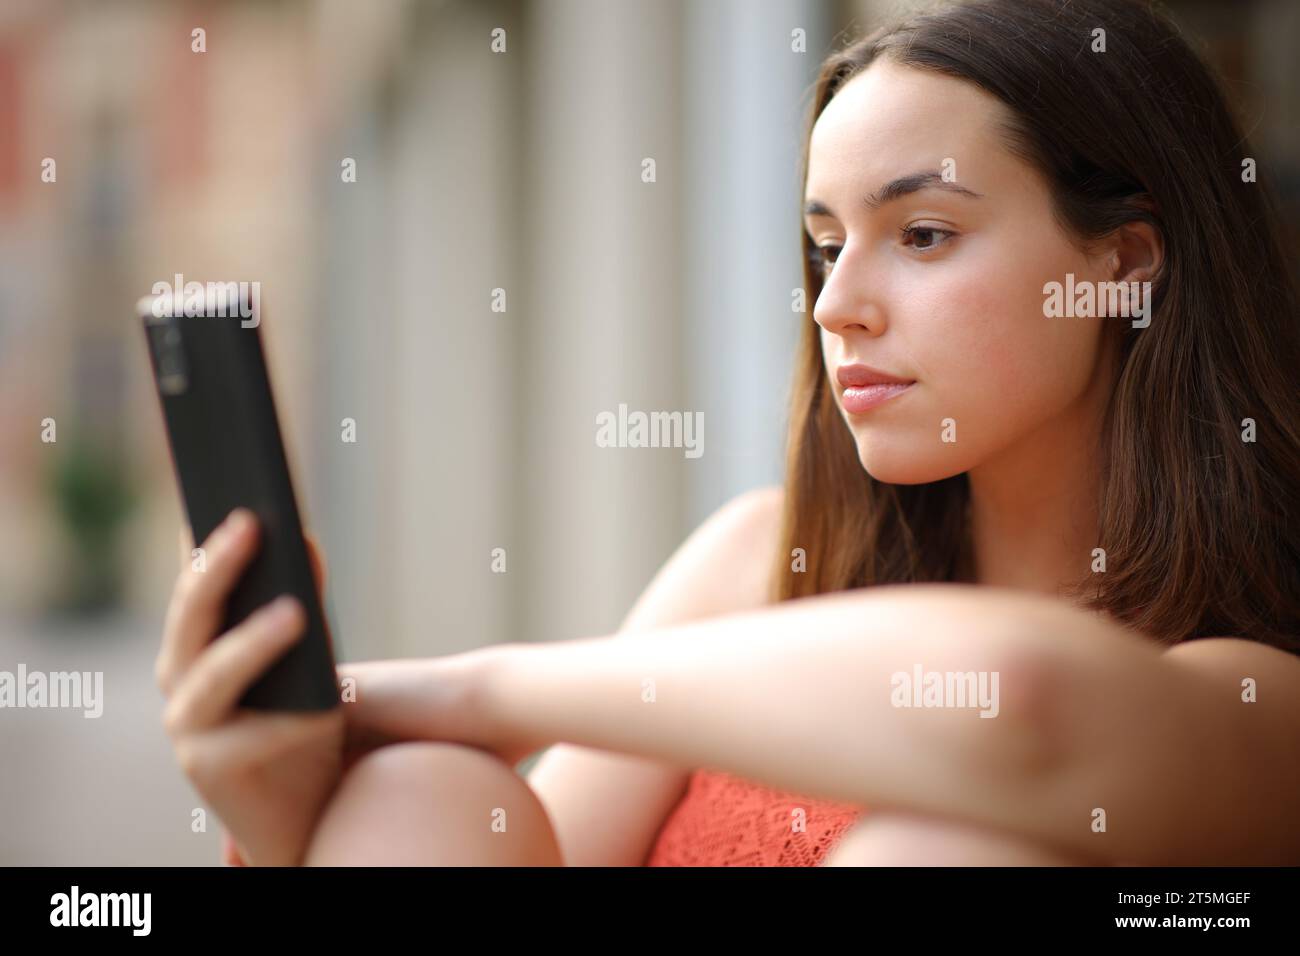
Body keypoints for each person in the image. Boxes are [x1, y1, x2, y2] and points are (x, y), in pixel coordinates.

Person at [156, 0, 1300, 867]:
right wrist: (279, 801)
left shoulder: (1252, 695)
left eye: (925, 233)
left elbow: (1016, 702)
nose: (835, 302)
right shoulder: (761, 558)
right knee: (420, 792)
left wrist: (477, 688)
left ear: (1120, 267)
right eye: (823, 243)